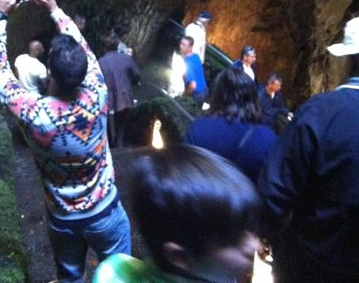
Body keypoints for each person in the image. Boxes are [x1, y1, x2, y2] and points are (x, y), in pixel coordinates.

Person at [0, 0, 131, 283]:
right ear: (84, 71)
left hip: (63, 219)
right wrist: (54, 9)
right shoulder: (98, 92)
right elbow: (83, 47)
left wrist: (0, 17)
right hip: (105, 211)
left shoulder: (31, 112)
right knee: (122, 275)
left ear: (49, 71)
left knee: (70, 278)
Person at [258, 16, 359, 283]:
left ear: (348, 61)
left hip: (311, 262)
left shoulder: (321, 112)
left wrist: (266, 234)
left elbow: (274, 188)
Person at [93, 145, 261, 283]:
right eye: (233, 240)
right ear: (179, 256)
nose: (255, 246)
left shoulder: (115, 272)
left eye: (250, 229)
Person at [185, 68, 276, 182]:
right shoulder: (267, 139)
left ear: (217, 95)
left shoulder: (200, 128)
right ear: (253, 98)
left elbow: (184, 171)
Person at [98, 32, 140, 148]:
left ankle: (109, 144)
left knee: (106, 123)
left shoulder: (100, 63)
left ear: (104, 47)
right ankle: (119, 144)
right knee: (121, 125)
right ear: (117, 45)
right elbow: (136, 75)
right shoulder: (126, 58)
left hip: (107, 99)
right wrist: (132, 82)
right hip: (124, 97)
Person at [180, 35, 208, 109]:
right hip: (204, 90)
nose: (180, 46)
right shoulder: (195, 56)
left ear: (190, 48)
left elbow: (193, 85)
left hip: (197, 95)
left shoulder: (188, 63)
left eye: (184, 45)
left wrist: (184, 95)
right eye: (181, 43)